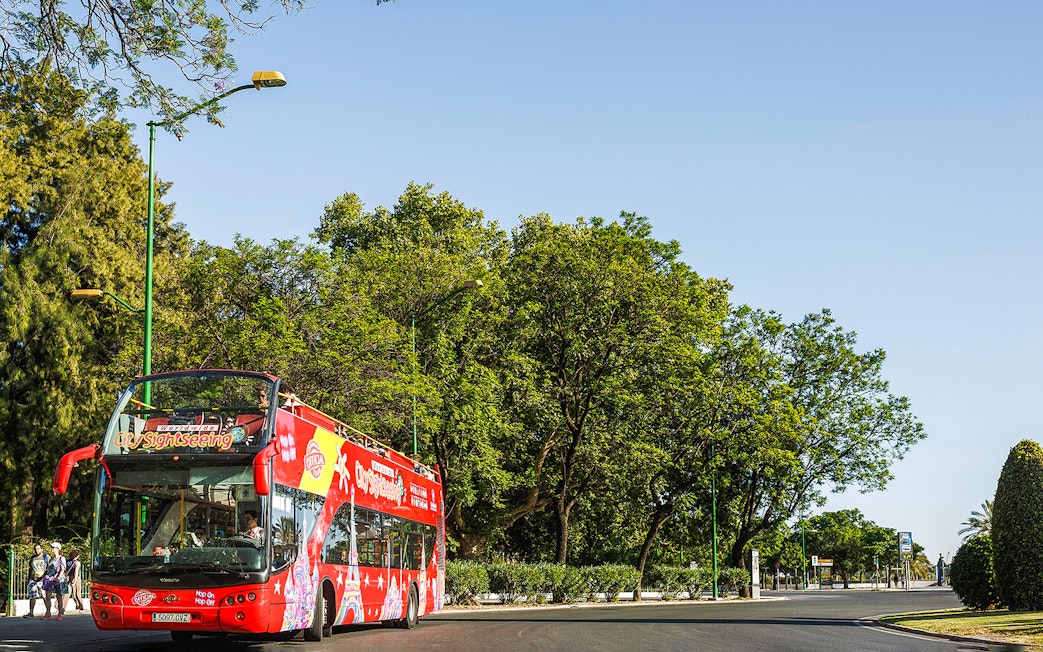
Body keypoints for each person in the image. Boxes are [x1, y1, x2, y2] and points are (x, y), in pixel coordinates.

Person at [40, 542, 68, 620]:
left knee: (59, 597)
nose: (52, 549)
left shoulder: (62, 558)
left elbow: (62, 569)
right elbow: (48, 569)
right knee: (47, 597)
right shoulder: (51, 559)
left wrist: (58, 577)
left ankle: (59, 614)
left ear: (58, 549)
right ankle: (48, 612)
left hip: (58, 579)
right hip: (50, 579)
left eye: (53, 547)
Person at [23, 543, 49, 618]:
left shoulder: (46, 557)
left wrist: (47, 577)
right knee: (32, 596)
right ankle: (31, 612)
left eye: (38, 549)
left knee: (44, 596)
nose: (36, 550)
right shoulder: (33, 558)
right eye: (35, 549)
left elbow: (49, 568)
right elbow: (30, 568)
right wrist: (28, 578)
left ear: (42, 549)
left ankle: (48, 612)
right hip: (33, 579)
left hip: (42, 579)